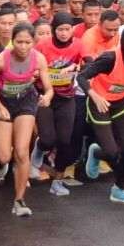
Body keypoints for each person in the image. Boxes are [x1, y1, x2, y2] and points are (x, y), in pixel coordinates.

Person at [77, 26, 124, 205]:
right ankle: (97, 153)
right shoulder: (109, 58)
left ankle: (119, 189)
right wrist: (94, 96)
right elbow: (81, 77)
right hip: (100, 103)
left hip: (121, 103)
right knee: (112, 152)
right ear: (122, 41)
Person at [0, 22, 51, 217]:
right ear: (12, 42)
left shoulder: (39, 59)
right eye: (19, 42)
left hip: (26, 102)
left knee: (22, 152)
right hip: (2, 101)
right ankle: (0, 164)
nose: (23, 46)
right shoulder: (1, 60)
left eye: (27, 42)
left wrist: (47, 96)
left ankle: (19, 201)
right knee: (4, 155)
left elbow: (49, 88)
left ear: (33, 42)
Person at [36, 13, 84, 197]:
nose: (64, 34)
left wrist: (75, 67)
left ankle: (58, 180)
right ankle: (39, 149)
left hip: (67, 97)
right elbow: (35, 68)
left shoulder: (78, 44)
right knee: (48, 139)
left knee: (65, 141)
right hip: (45, 96)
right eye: (60, 29)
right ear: (53, 30)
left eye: (67, 29)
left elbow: (88, 63)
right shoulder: (43, 46)